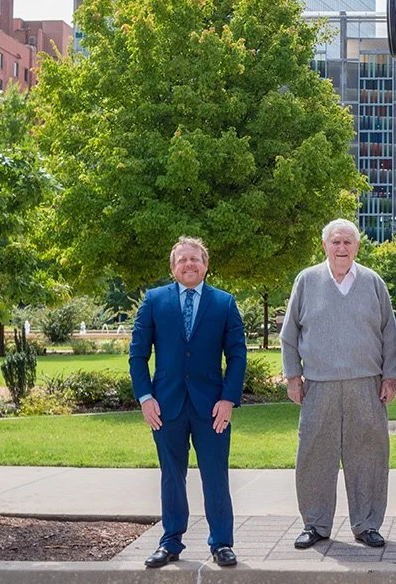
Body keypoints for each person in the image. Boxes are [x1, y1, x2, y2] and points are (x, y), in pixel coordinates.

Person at [280, 219, 396, 550]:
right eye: (336, 242)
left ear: (357, 247)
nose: (342, 248)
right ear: (325, 246)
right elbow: (289, 335)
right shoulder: (307, 281)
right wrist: (293, 376)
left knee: (369, 455)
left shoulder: (373, 282)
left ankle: (367, 524)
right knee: (315, 455)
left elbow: (390, 333)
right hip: (319, 385)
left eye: (348, 242)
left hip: (367, 384)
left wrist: (390, 376)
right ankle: (316, 524)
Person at [129, 236, 247, 568]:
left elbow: (237, 356)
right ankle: (170, 542)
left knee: (215, 475)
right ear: (173, 267)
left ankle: (222, 542)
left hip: (212, 408)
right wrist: (145, 397)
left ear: (206, 265)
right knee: (171, 475)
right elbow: (138, 355)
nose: (189, 264)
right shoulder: (154, 301)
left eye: (195, 259)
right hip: (165, 407)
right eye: (182, 260)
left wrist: (228, 399)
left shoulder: (224, 303)